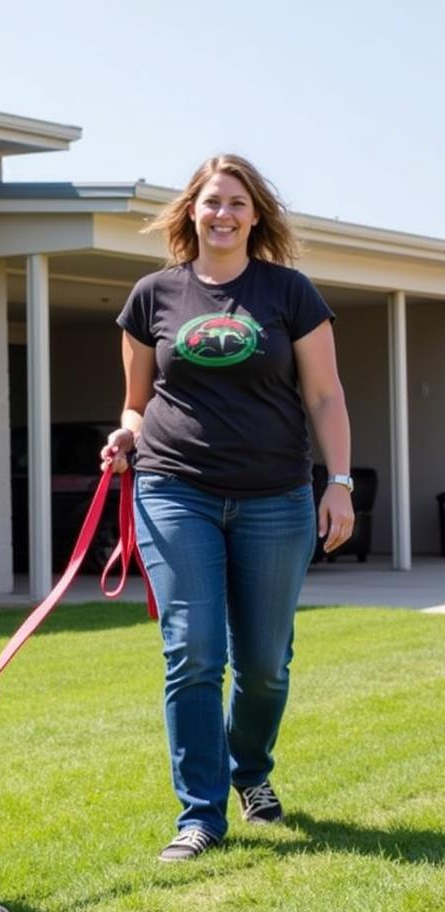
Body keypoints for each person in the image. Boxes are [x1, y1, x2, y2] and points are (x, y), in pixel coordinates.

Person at [101, 154, 354, 862]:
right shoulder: (153, 296)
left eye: (237, 203)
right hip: (174, 489)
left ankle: (252, 773)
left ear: (256, 215)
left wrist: (340, 482)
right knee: (194, 652)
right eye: (212, 201)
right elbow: (136, 399)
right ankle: (199, 814)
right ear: (191, 212)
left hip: (275, 497)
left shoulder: (290, 293)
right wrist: (126, 430)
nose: (223, 214)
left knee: (266, 663)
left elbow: (326, 395)